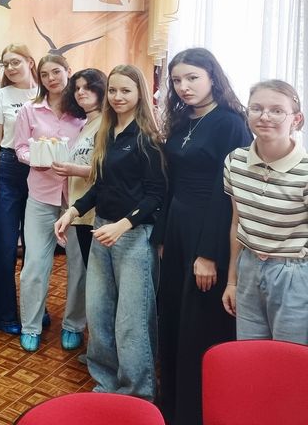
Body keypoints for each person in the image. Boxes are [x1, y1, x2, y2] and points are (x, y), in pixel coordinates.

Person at [54, 65, 166, 402]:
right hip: (101, 229)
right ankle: (105, 381)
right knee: (99, 312)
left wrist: (124, 225)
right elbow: (100, 186)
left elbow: (156, 195)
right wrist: (72, 211)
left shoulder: (148, 138)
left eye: (126, 91)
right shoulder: (106, 133)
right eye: (113, 90)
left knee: (132, 320)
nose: (118, 97)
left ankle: (137, 393)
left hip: (133, 236)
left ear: (139, 94)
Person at [158, 48, 251, 425]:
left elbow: (227, 194)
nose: (184, 86)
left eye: (192, 77)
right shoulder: (182, 120)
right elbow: (171, 180)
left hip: (209, 228)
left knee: (200, 325)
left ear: (213, 77)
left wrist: (209, 254)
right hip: (178, 227)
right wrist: (164, 236)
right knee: (173, 318)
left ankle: (198, 412)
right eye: (177, 80)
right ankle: (173, 405)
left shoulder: (231, 123)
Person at [222, 79, 307, 344]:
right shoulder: (235, 161)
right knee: (250, 351)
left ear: (296, 119)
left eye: (277, 110)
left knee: (289, 355)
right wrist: (232, 281)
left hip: (294, 271)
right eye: (256, 108)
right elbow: (237, 223)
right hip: (248, 266)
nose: (265, 116)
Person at [14, 54, 85, 352]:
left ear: (68, 71)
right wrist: (35, 158)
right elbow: (20, 147)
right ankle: (30, 326)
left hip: (77, 200)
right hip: (41, 195)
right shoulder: (29, 110)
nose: (51, 78)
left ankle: (73, 324)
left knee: (78, 265)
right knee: (34, 264)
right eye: (44, 74)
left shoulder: (83, 111)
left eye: (56, 72)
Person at [0, 44, 39, 334]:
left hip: (39, 171)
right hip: (7, 169)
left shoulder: (44, 92)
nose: (11, 68)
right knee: (4, 245)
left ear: (30, 61)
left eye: (16, 62)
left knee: (35, 248)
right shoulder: (1, 95)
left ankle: (33, 309)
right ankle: (1, 312)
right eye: (6, 64)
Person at [49, 68, 107, 352]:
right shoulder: (86, 123)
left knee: (97, 280)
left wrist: (73, 169)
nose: (81, 92)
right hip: (78, 212)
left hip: (95, 213)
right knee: (82, 273)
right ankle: (88, 336)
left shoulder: (106, 123)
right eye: (77, 88)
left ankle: (97, 343)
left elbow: (107, 170)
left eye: (88, 87)